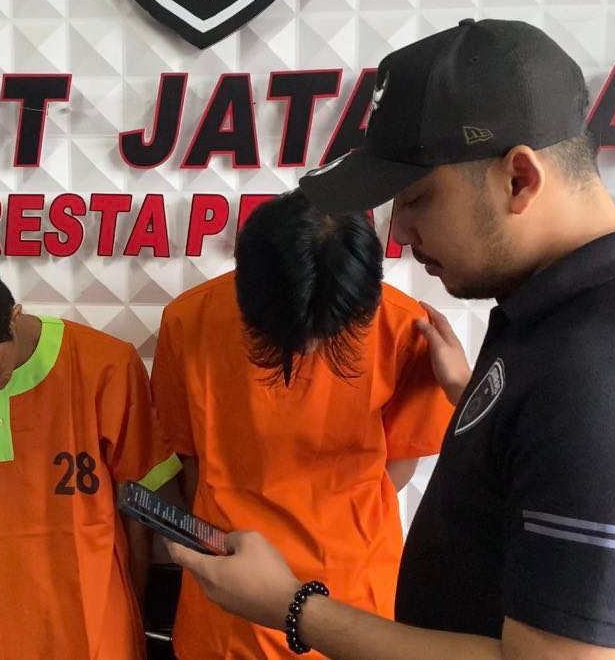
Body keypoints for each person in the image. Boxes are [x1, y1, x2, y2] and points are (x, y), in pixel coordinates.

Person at [167, 18, 615, 660]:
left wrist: (293, 608)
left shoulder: (608, 384)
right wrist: (474, 397)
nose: (399, 233)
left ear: (519, 179)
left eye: (417, 199)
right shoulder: (575, 316)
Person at [152, 190, 464, 658]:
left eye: (331, 332)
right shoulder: (186, 321)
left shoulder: (408, 330)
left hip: (347, 597)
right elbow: (186, 457)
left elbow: (401, 463)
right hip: (234, 591)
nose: (308, 350)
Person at [0, 255, 181, 659]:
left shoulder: (104, 365)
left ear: (13, 318)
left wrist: (132, 611)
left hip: (91, 621)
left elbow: (140, 505)